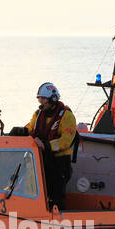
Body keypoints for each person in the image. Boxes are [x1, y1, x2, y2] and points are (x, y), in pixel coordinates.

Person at [24, 82, 77, 210]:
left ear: (53, 99)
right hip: (41, 159)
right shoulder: (38, 115)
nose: (40, 101)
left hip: (59, 162)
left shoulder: (66, 116)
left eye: (43, 98)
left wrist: (46, 146)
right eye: (39, 98)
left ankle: (59, 221)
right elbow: (30, 129)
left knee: (56, 196)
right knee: (37, 192)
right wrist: (19, 132)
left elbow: (66, 140)